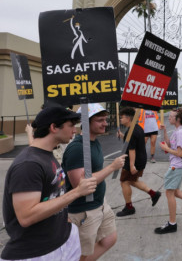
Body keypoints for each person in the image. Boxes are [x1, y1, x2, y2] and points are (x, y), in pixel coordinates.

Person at [1, 106, 97, 260]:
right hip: (37, 252)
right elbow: (26, 216)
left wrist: (65, 221)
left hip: (61, 241)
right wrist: (77, 192)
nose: (75, 130)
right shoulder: (28, 164)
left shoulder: (45, 155)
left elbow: (53, 195)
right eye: (71, 125)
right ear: (53, 127)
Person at [62, 103, 127, 261]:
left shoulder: (94, 141)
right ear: (86, 122)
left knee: (109, 239)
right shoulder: (77, 149)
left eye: (105, 119)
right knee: (81, 254)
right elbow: (81, 185)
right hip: (83, 210)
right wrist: (112, 167)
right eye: (100, 120)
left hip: (99, 203)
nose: (105, 123)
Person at [115, 107, 162, 217]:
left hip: (134, 161)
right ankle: (153, 194)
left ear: (128, 118)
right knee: (132, 180)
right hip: (141, 159)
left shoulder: (131, 132)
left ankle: (129, 207)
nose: (121, 120)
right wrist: (122, 135)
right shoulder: (138, 128)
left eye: (122, 117)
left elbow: (132, 150)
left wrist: (131, 165)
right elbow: (131, 142)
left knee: (124, 182)